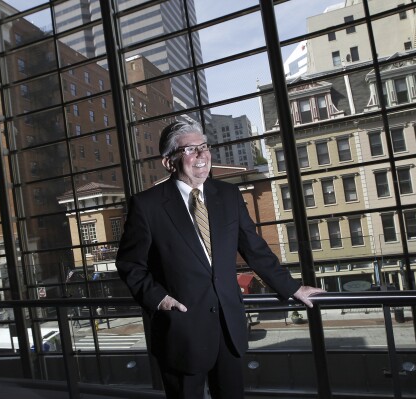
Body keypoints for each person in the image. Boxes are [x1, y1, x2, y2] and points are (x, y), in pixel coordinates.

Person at [116, 121, 324, 399]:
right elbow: (130, 264)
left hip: (229, 329)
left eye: (204, 147)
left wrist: (292, 288)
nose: (202, 155)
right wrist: (159, 298)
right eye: (191, 149)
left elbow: (255, 249)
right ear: (169, 161)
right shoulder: (147, 205)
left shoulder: (227, 196)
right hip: (181, 331)